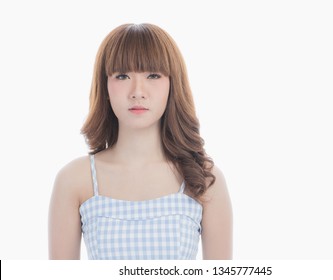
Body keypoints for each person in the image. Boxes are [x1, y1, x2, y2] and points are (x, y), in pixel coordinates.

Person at [48, 23, 232, 260]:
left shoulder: (203, 179)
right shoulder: (75, 179)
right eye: (122, 75)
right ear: (105, 85)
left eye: (153, 75)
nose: (137, 91)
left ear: (172, 85)